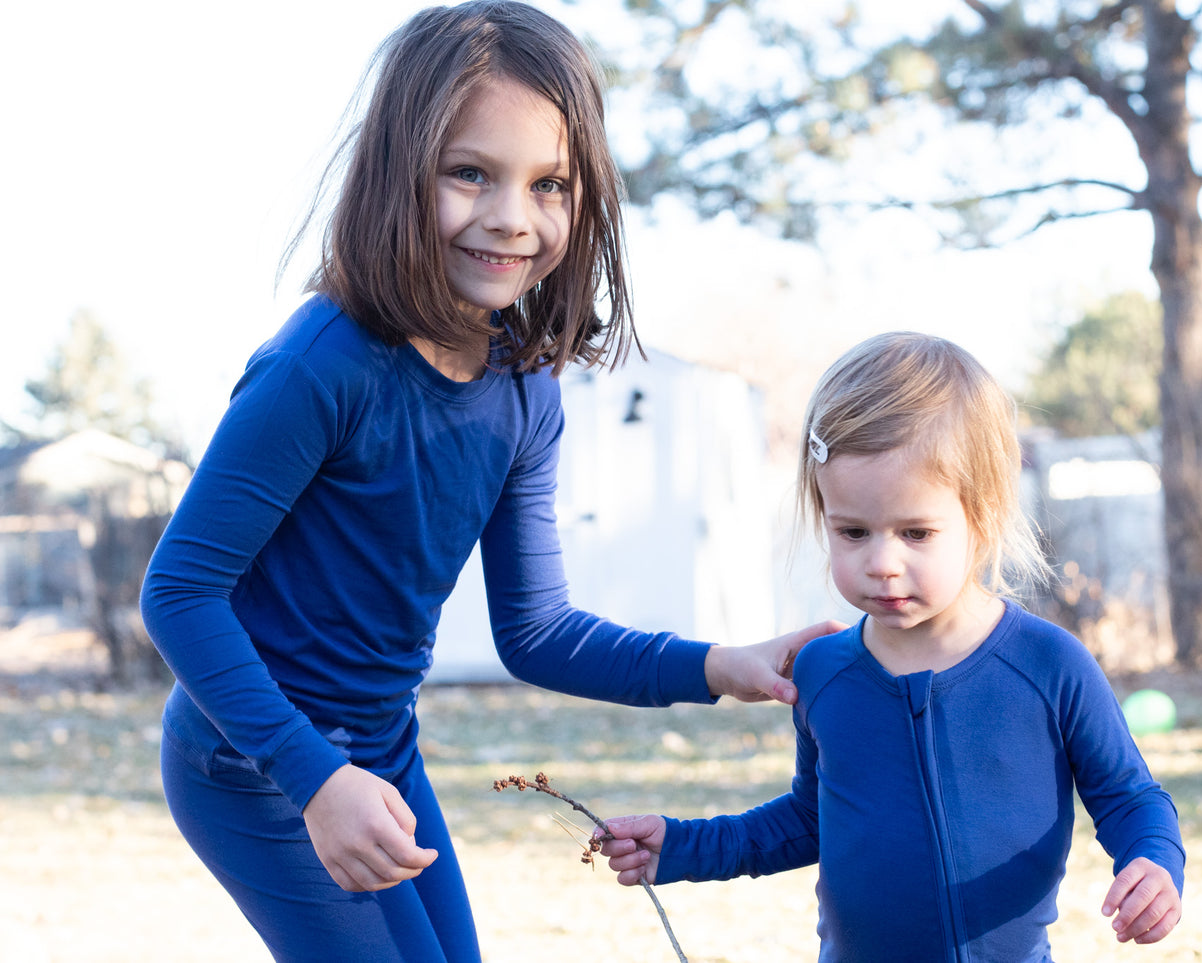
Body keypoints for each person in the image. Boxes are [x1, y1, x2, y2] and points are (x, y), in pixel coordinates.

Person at [139, 4, 833, 961]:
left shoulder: (523, 391)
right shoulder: (319, 368)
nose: (512, 215)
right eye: (470, 172)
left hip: (378, 745)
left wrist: (721, 666)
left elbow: (536, 632)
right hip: (252, 760)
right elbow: (178, 592)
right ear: (396, 171)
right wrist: (313, 779)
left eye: (549, 183)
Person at [599, 332, 1186, 961]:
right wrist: (685, 847)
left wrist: (1154, 863)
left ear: (982, 515)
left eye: (916, 532)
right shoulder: (824, 672)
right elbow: (810, 818)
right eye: (852, 532)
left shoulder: (1048, 665)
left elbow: (1129, 796)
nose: (882, 562)